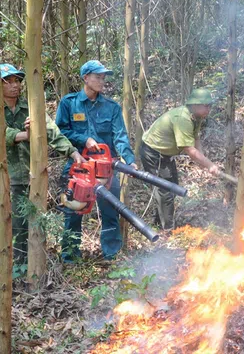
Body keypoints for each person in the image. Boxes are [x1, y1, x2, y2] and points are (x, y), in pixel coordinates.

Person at [1, 63, 84, 265]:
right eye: (8, 81)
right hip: (6, 177)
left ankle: (33, 265)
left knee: (35, 223)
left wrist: (72, 152)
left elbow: (52, 131)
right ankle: (15, 268)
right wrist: (25, 134)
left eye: (17, 81)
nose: (15, 85)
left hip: (32, 177)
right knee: (12, 226)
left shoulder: (30, 108)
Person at [55, 60, 137, 262]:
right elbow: (60, 131)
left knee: (110, 211)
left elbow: (120, 136)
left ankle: (112, 255)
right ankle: (71, 257)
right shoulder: (69, 103)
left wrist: (129, 159)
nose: (102, 81)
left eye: (103, 77)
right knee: (73, 211)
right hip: (78, 167)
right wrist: (84, 140)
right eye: (98, 77)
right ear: (86, 78)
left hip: (106, 170)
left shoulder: (112, 107)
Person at [140, 88, 220, 232]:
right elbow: (189, 149)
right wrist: (210, 165)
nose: (209, 109)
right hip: (153, 153)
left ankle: (159, 222)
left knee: (173, 186)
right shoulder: (183, 118)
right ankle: (167, 230)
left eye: (210, 106)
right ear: (194, 105)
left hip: (166, 155)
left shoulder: (197, 117)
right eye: (206, 106)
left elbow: (195, 138)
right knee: (165, 190)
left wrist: (202, 161)